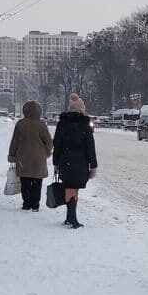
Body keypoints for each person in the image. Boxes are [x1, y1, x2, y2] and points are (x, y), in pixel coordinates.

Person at [51, 94, 97, 228]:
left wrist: (56, 162)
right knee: (73, 188)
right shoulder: (84, 125)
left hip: (65, 161)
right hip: (80, 163)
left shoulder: (62, 124)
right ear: (81, 109)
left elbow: (57, 144)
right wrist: (93, 165)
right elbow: (90, 147)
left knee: (70, 187)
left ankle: (70, 217)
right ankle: (72, 218)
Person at [7, 100, 54, 212]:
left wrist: (12, 155)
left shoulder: (20, 124)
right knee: (37, 183)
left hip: (23, 158)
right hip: (38, 158)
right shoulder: (41, 124)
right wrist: (47, 152)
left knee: (25, 182)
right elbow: (48, 141)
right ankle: (35, 204)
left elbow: (15, 141)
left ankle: (26, 203)